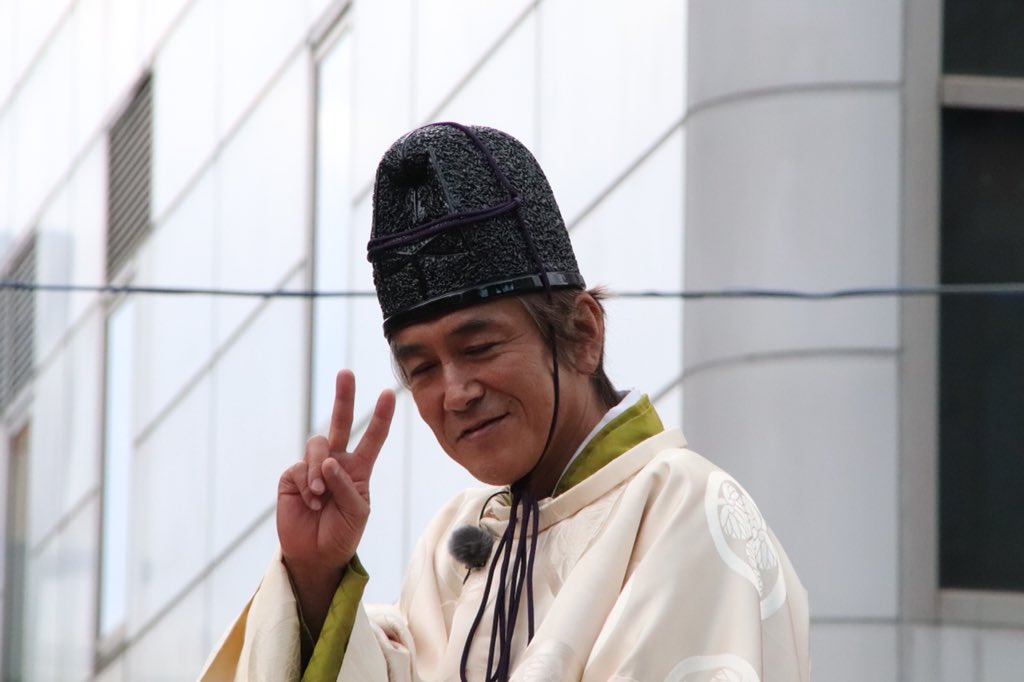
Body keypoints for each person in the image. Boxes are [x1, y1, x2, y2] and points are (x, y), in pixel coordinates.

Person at [199, 123, 810, 682]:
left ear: (582, 333)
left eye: (481, 346)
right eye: (422, 368)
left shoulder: (684, 507)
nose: (456, 391)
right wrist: (315, 577)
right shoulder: (456, 543)